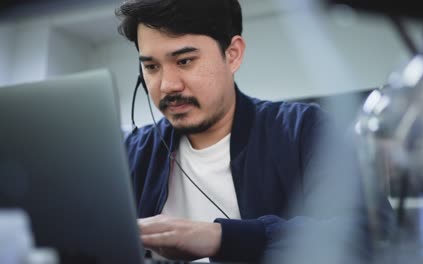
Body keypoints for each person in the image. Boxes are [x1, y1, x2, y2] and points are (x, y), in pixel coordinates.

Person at [116, 0, 394, 262]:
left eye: (185, 61)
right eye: (151, 67)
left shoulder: (305, 129)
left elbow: (369, 235)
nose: (167, 85)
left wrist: (222, 237)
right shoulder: (131, 153)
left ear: (233, 54)